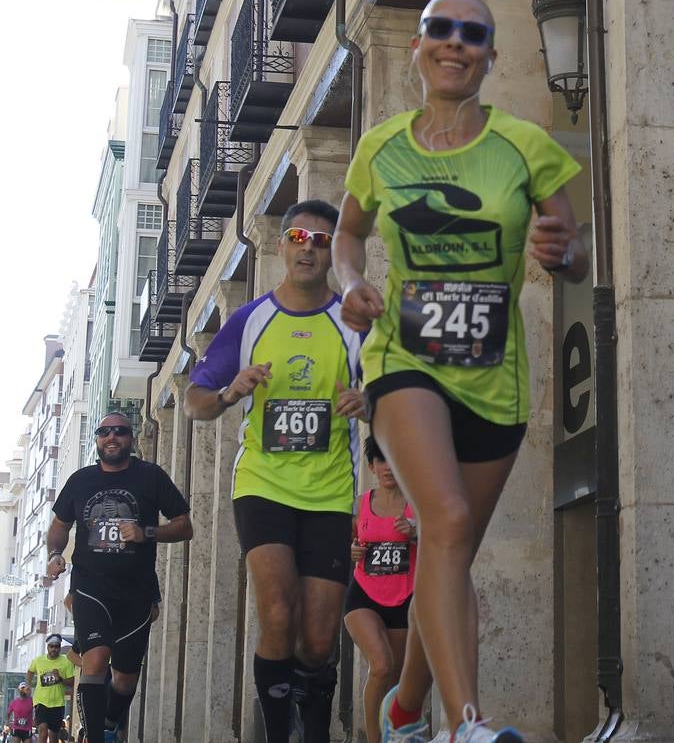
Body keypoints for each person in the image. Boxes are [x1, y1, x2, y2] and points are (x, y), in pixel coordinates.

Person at [333, 0, 587, 743]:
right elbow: (349, 235)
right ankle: (464, 725)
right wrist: (352, 287)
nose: (455, 43)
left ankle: (405, 709)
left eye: (472, 33)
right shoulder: (382, 147)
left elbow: (576, 251)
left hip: (494, 379)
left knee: (450, 553)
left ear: (490, 56)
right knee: (440, 520)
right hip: (403, 361)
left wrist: (561, 252)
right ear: (416, 47)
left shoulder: (525, 146)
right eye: (439, 30)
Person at [183, 199, 367, 743]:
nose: (308, 248)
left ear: (334, 251)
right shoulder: (250, 320)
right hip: (262, 484)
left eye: (320, 240)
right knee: (278, 616)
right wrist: (229, 390)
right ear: (282, 245)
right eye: (297, 236)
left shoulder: (353, 325)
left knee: (316, 637)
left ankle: (315, 723)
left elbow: (395, 394)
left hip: (332, 490)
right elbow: (194, 402)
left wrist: (368, 400)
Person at [45, 412, 192, 743]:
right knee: (95, 658)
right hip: (90, 587)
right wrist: (55, 555)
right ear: (97, 439)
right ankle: (95, 736)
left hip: (136, 591)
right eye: (104, 432)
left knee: (125, 678)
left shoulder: (150, 477)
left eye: (120, 432)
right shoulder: (81, 480)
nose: (111, 437)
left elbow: (185, 525)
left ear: (130, 438)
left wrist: (145, 532)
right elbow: (58, 528)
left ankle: (108, 723)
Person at [345, 438, 419, 743]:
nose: (387, 467)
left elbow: (445, 541)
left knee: (397, 678)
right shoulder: (359, 503)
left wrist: (416, 533)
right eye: (380, 460)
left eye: (393, 459)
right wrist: (351, 550)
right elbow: (347, 542)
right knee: (381, 664)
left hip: (405, 598)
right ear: (373, 466)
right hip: (363, 596)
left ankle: (394, 735)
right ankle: (373, 739)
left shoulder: (419, 502)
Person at [28, 637, 75, 743]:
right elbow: (30, 671)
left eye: (57, 646)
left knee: (53, 736)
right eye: (51, 646)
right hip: (41, 701)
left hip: (57, 703)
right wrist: (28, 685)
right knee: (43, 732)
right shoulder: (39, 660)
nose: (54, 649)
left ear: (60, 647)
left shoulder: (66, 661)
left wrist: (60, 679)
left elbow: (72, 681)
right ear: (47, 647)